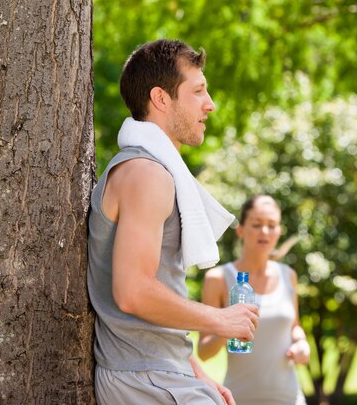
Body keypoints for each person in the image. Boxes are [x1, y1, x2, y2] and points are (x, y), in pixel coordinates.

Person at [87, 39, 259, 405]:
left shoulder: (151, 170)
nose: (209, 104)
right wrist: (219, 319)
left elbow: (159, 290)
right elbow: (133, 291)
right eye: (197, 91)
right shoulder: (146, 174)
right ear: (161, 99)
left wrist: (196, 371)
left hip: (160, 372)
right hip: (144, 377)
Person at [198, 195, 310, 405]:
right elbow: (203, 352)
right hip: (239, 399)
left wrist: (301, 344)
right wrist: (227, 327)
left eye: (272, 225)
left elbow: (295, 327)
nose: (265, 232)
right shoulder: (219, 278)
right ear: (240, 230)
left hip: (290, 398)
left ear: (279, 231)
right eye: (257, 224)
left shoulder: (289, 276)